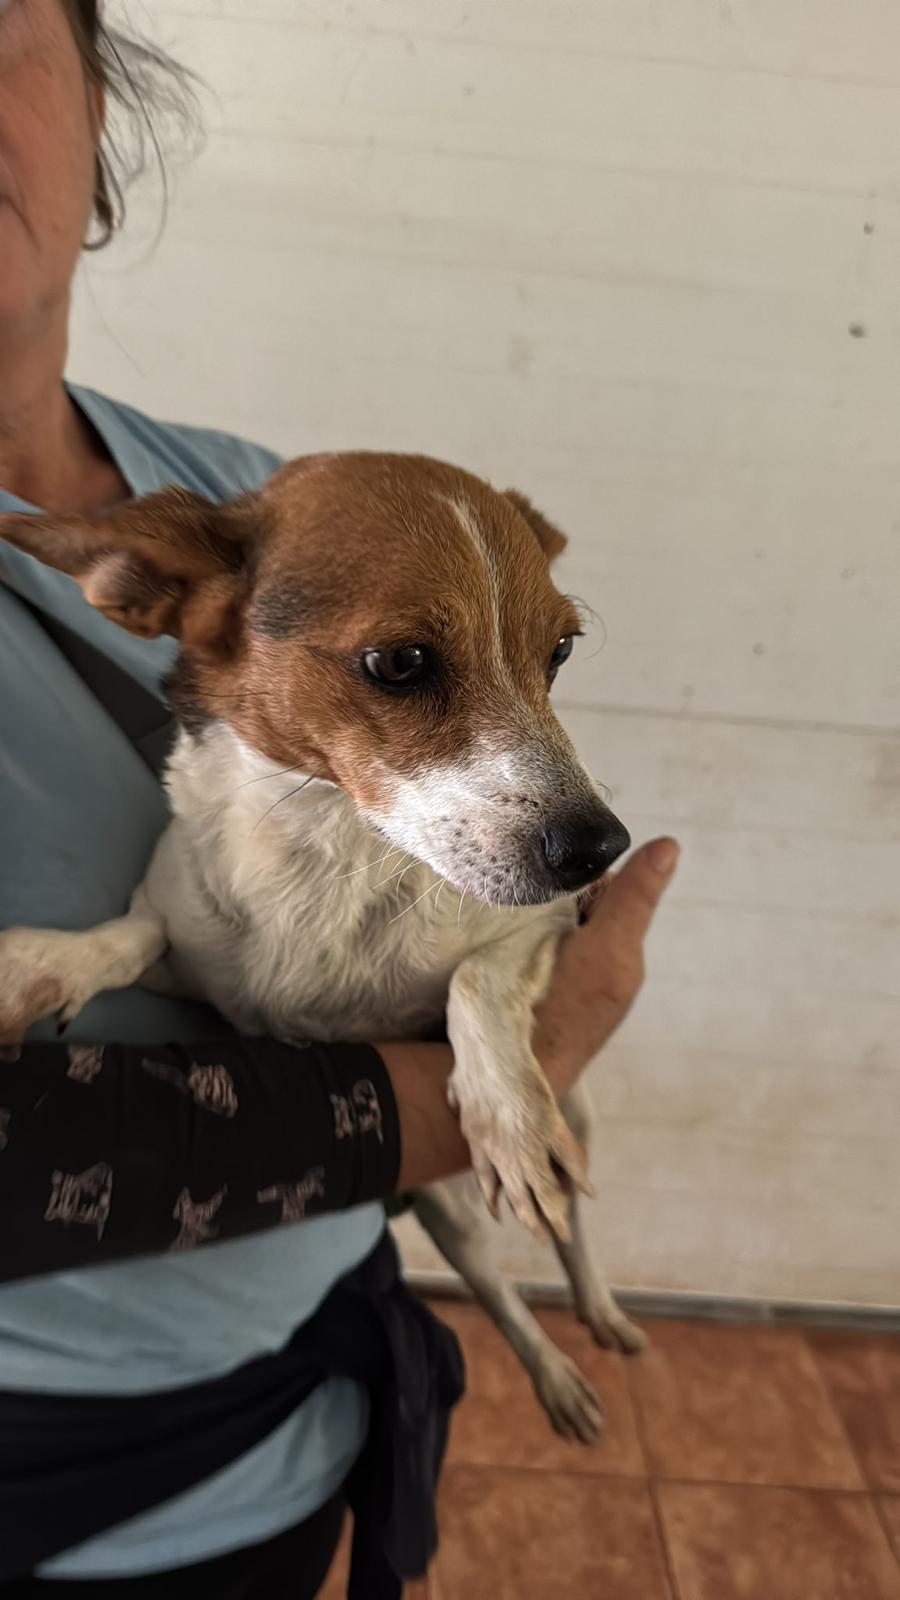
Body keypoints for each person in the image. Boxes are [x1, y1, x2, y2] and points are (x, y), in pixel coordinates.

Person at [0, 2, 679, 1594]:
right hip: (64, 1504)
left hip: (304, 1418)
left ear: (97, 104)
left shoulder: (261, 482)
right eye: (399, 669)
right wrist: (461, 1094)